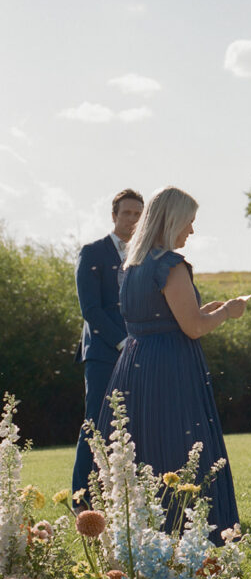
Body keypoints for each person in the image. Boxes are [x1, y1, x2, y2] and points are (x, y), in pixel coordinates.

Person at [93, 187, 245, 535]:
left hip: (135, 364)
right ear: (172, 220)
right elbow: (192, 328)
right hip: (170, 366)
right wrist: (226, 311)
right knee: (182, 446)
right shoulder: (171, 266)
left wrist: (204, 312)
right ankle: (190, 535)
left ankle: (144, 535)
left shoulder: (132, 265)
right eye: (189, 222)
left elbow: (156, 317)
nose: (191, 231)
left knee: (145, 445)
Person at [71, 188, 144, 499]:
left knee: (135, 423)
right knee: (96, 423)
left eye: (138, 215)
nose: (132, 220)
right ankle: (82, 496)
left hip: (139, 352)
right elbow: (90, 310)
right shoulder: (92, 252)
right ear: (114, 216)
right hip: (102, 353)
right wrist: (121, 342)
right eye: (127, 213)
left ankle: (125, 494)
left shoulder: (144, 255)